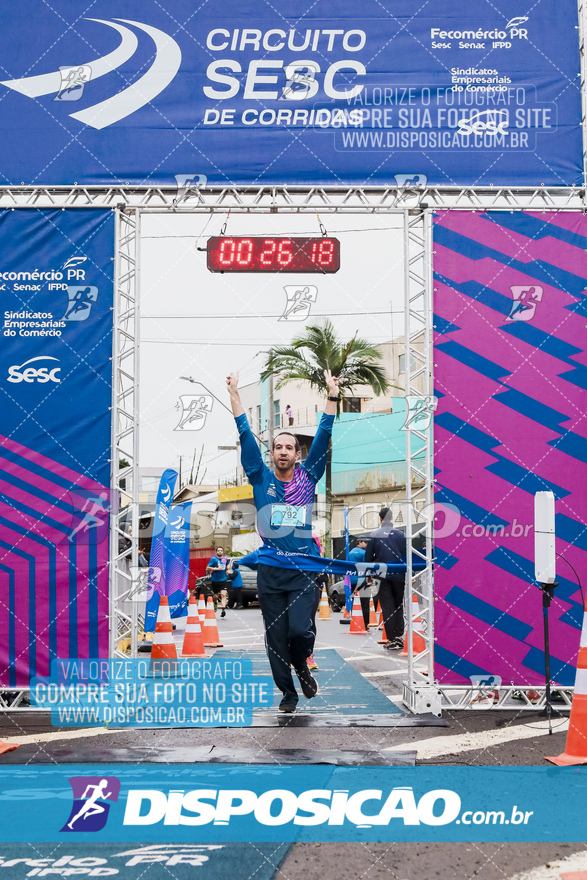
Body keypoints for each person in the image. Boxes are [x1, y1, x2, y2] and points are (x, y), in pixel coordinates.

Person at [227, 368, 340, 714]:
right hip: (271, 571)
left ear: (297, 453)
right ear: (272, 453)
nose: (283, 451)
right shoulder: (259, 476)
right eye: (278, 446)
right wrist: (234, 394)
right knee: (275, 638)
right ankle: (288, 693)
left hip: (305, 569)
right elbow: (245, 433)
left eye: (289, 447)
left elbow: (323, 431)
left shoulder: (310, 475)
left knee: (299, 629)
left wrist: (332, 395)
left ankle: (302, 662)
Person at [365, 508, 407, 650]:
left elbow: (368, 558)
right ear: (392, 517)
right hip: (399, 573)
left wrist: (368, 575)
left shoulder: (374, 535)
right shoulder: (401, 535)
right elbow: (407, 555)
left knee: (387, 605)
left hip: (381, 574)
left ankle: (390, 639)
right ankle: (399, 636)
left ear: (380, 518)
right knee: (398, 604)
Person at [348, 538, 370, 629]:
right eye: (366, 542)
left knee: (355, 602)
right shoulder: (363, 553)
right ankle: (365, 623)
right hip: (362, 580)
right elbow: (367, 566)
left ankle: (356, 622)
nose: (367, 544)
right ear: (360, 542)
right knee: (364, 602)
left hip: (353, 580)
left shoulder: (350, 553)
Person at [205, 546, 228, 615]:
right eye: (219, 550)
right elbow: (208, 568)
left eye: (221, 550)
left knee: (224, 594)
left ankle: (223, 610)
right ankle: (215, 602)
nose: (220, 551)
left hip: (223, 579)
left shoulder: (225, 559)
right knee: (216, 596)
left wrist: (228, 570)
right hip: (215, 580)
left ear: (223, 551)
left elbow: (227, 566)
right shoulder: (213, 559)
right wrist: (217, 569)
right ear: (216, 552)